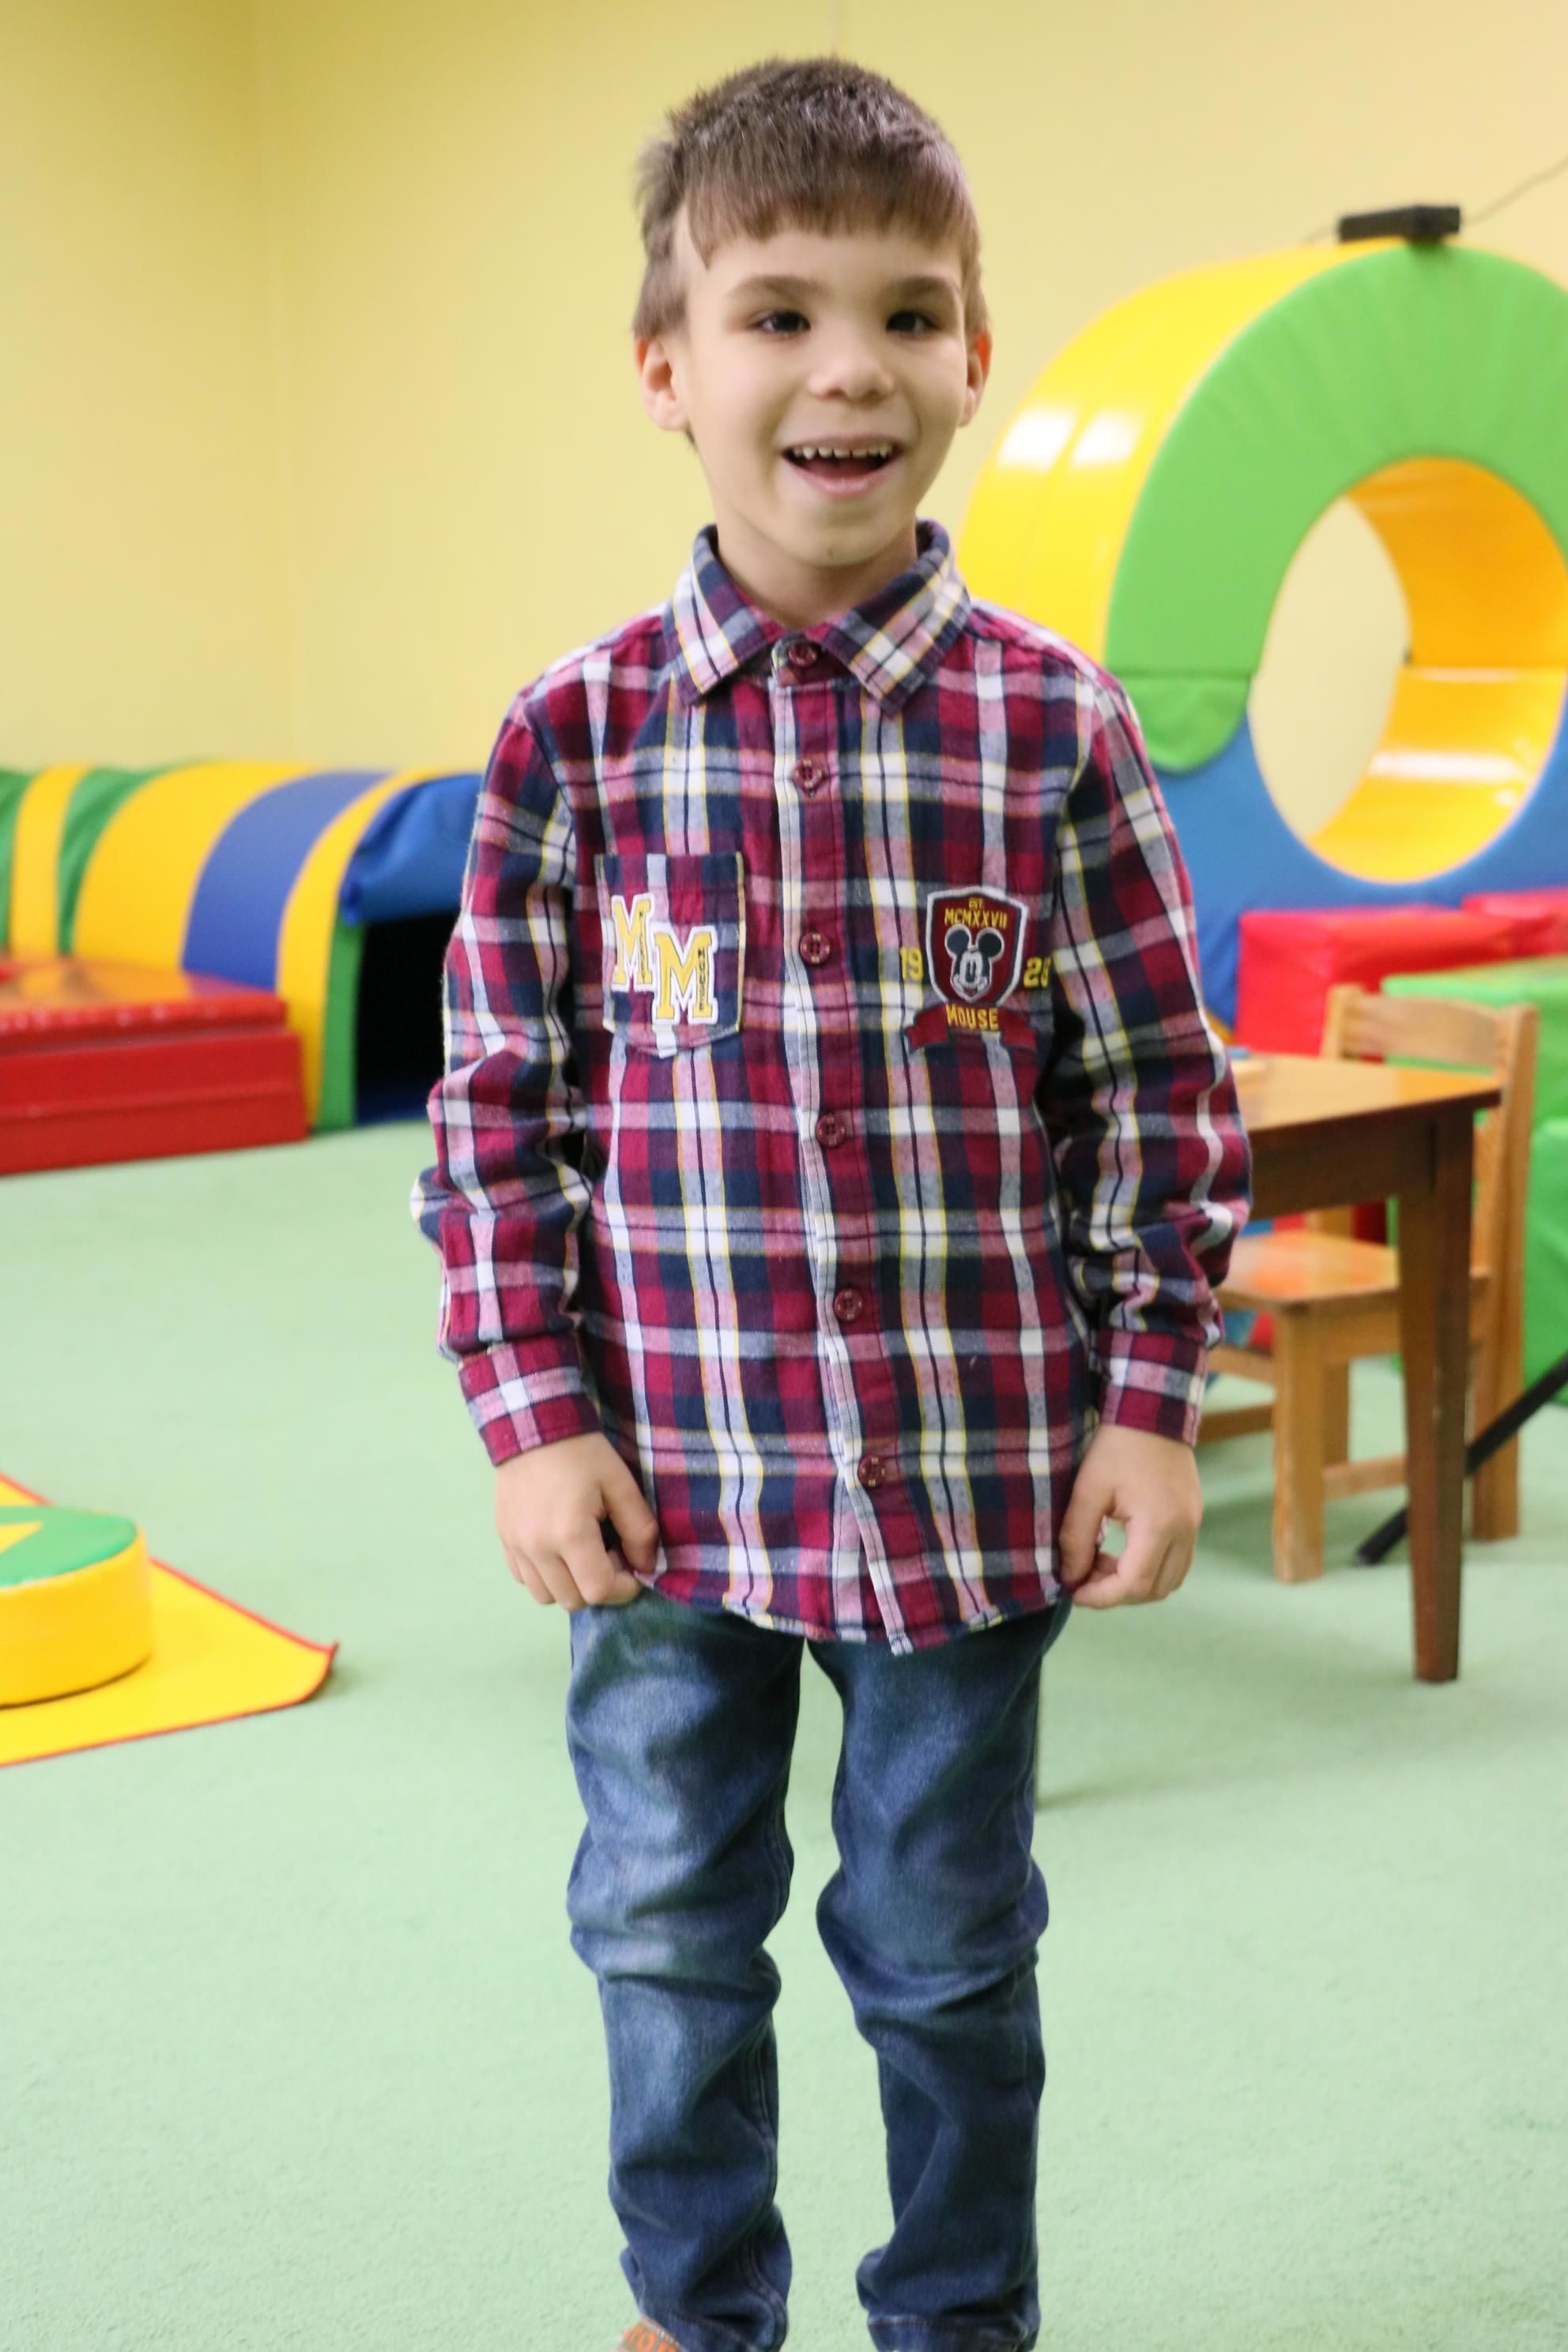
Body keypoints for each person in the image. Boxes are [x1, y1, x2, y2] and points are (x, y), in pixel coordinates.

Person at [412, 54, 1251, 2352]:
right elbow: (495, 1111)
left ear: (975, 354)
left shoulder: (1055, 730)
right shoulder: (574, 739)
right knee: (666, 1931)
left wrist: (1153, 1402)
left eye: (904, 314)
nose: (848, 368)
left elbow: (1155, 1095)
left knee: (949, 1949)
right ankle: (697, 2309)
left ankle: (957, 2319)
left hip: (969, 1492)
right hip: (665, 1492)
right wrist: (529, 1417)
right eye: (778, 314)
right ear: (666, 369)